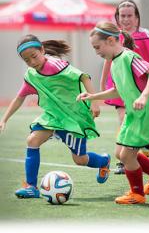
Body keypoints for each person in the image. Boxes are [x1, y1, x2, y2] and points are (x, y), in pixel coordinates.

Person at [0, 35, 111, 199]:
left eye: (34, 56)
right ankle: (31, 187)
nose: (32, 62)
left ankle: (103, 161)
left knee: (80, 159)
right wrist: (4, 119)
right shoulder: (31, 75)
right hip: (53, 117)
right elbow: (19, 97)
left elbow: (84, 77)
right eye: (27, 60)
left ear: (42, 50)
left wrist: (94, 102)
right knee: (32, 140)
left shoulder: (55, 65)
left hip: (73, 117)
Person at [77, 22, 149, 204]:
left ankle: (137, 194)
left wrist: (144, 96)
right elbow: (117, 91)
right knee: (120, 153)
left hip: (146, 111)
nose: (96, 51)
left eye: (97, 47)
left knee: (127, 155)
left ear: (111, 40)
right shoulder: (114, 63)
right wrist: (92, 96)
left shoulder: (128, 57)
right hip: (134, 114)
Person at [100, 0, 149, 174]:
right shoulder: (113, 35)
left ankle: (142, 155)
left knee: (137, 124)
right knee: (124, 120)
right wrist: (103, 83)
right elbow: (108, 60)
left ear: (136, 18)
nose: (126, 19)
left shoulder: (144, 34)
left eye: (130, 16)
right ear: (117, 18)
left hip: (139, 87)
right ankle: (123, 159)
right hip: (119, 85)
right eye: (123, 16)